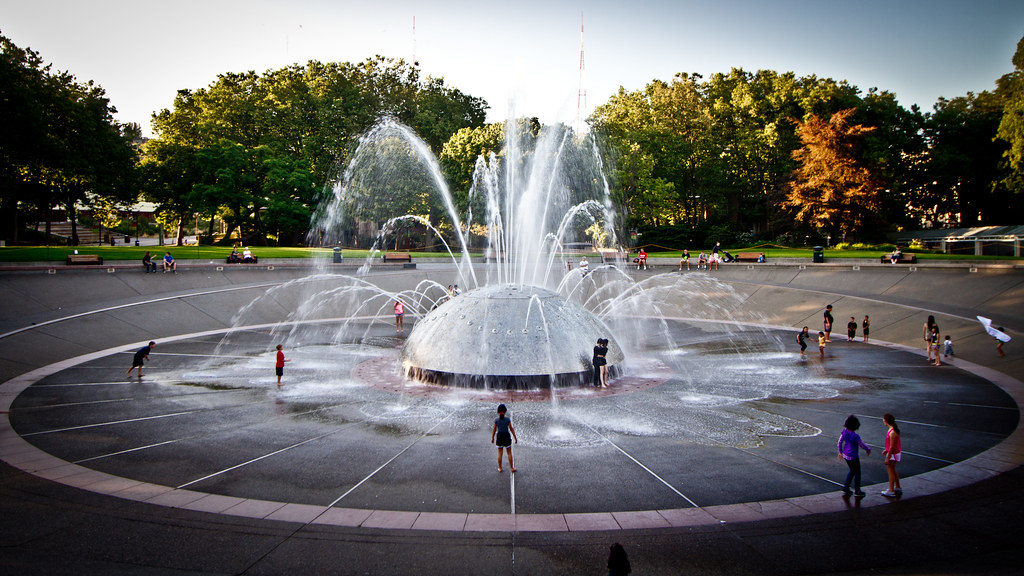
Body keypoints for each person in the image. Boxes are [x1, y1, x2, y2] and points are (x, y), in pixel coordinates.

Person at [837, 414, 871, 497]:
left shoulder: (844, 432)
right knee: (857, 472)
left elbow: (839, 442)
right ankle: (857, 490)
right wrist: (868, 449)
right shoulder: (855, 436)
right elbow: (861, 444)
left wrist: (840, 452)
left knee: (852, 471)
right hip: (853, 456)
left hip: (845, 455)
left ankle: (846, 487)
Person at [491, 403, 518, 473]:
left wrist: (492, 438)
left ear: (498, 411)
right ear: (505, 411)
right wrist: (515, 438)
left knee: (500, 453)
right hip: (506, 436)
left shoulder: (496, 420)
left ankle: (500, 468)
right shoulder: (507, 420)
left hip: (499, 436)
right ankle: (511, 468)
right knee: (509, 453)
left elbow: (494, 429)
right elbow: (511, 429)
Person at [881, 413, 902, 497]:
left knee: (890, 472)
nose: (883, 422)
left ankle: (891, 490)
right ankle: (897, 487)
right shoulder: (892, 430)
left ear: (886, 421)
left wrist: (888, 457)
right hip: (894, 453)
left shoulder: (892, 432)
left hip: (893, 454)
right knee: (893, 470)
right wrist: (886, 450)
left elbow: (892, 446)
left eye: (883, 420)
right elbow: (891, 445)